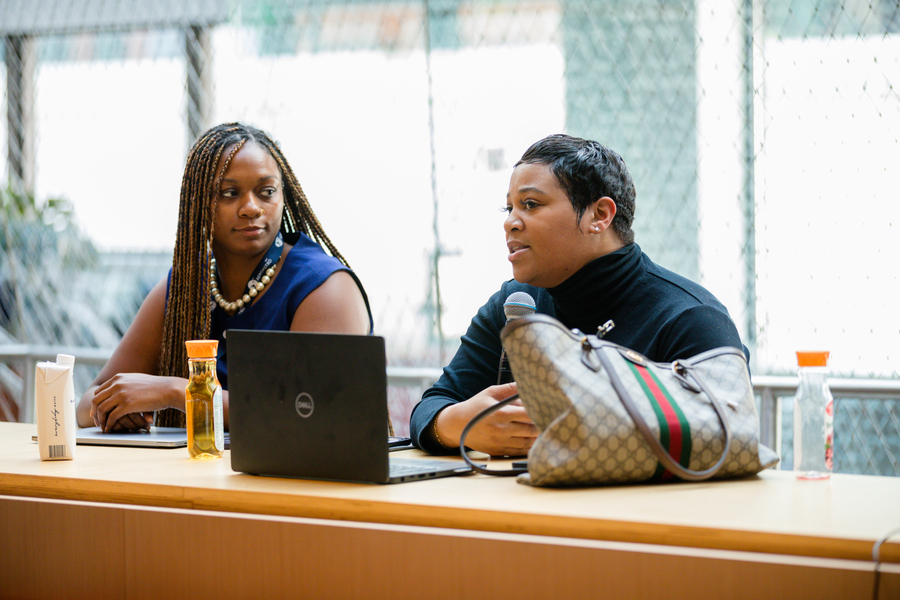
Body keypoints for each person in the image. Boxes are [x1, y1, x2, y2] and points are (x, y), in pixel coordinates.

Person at [409, 133, 748, 457]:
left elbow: (727, 441)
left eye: (530, 204)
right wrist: (460, 424)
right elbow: (432, 407)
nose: (510, 222)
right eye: (509, 208)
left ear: (599, 215)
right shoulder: (515, 305)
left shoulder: (689, 317)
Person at [77, 123, 372, 431]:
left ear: (283, 197)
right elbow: (89, 401)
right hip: (200, 477)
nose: (251, 208)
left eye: (266, 192)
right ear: (200, 205)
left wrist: (175, 392)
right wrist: (115, 410)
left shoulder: (324, 287)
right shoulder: (184, 288)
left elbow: (305, 411)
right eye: (230, 193)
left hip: (310, 478)